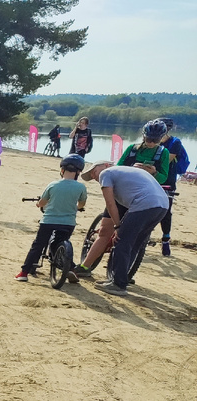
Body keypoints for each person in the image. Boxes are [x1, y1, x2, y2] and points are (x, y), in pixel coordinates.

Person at [78, 119, 172, 277]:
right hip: (122, 192)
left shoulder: (163, 153)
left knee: (132, 238)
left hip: (142, 197)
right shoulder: (132, 149)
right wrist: (133, 169)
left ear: (161, 138)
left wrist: (154, 172)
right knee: (105, 231)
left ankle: (120, 275)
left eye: (155, 140)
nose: (151, 143)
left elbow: (164, 177)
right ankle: (85, 266)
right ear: (143, 136)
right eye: (148, 139)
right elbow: (119, 167)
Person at [77, 161, 170, 296]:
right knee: (134, 245)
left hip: (145, 204)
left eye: (94, 172)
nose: (93, 176)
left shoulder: (106, 173)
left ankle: (118, 285)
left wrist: (117, 226)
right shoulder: (128, 172)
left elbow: (110, 203)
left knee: (122, 242)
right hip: (163, 205)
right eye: (91, 176)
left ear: (106, 165)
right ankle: (120, 279)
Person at [15, 154, 87, 282]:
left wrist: (39, 204)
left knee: (38, 245)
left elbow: (42, 202)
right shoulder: (81, 187)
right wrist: (77, 207)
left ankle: (24, 273)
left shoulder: (53, 185)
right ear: (78, 172)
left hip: (48, 221)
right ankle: (69, 268)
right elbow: (81, 204)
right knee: (60, 242)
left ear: (62, 170)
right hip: (68, 223)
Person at [158, 118, 189, 256]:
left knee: (166, 211)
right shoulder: (151, 140)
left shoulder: (175, 142)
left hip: (167, 181)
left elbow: (166, 160)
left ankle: (165, 240)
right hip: (151, 179)